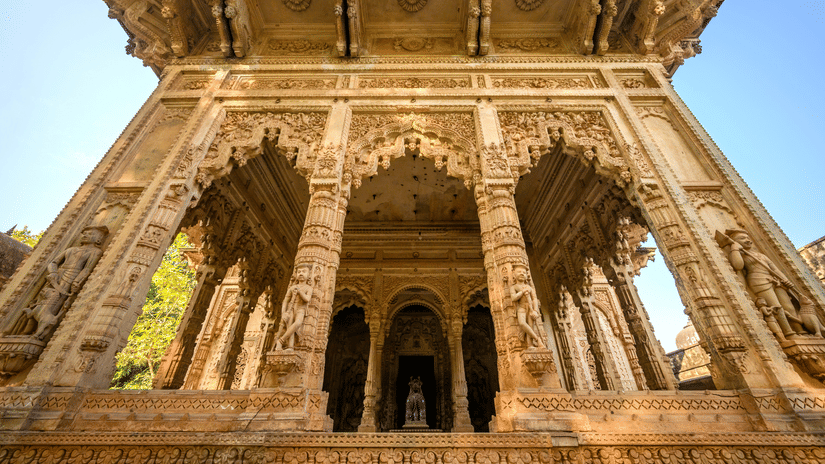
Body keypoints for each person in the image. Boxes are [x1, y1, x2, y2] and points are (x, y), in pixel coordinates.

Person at [274, 265, 313, 350]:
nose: (301, 274)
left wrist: (300, 292)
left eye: (304, 271)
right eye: (299, 272)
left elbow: (307, 299)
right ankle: (290, 347)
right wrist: (283, 313)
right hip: (291, 308)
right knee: (290, 325)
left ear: (309, 275)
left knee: (298, 323)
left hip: (301, 308)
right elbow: (285, 301)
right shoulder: (292, 288)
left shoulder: (308, 288)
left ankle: (281, 341)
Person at [510, 266, 546, 349]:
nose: (522, 273)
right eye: (519, 272)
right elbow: (513, 298)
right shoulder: (514, 287)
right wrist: (522, 292)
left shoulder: (530, 287)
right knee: (522, 323)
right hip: (521, 308)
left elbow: (534, 299)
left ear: (527, 276)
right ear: (514, 275)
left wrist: (535, 311)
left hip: (530, 308)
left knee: (530, 325)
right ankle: (537, 339)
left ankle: (530, 345)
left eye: (524, 272)